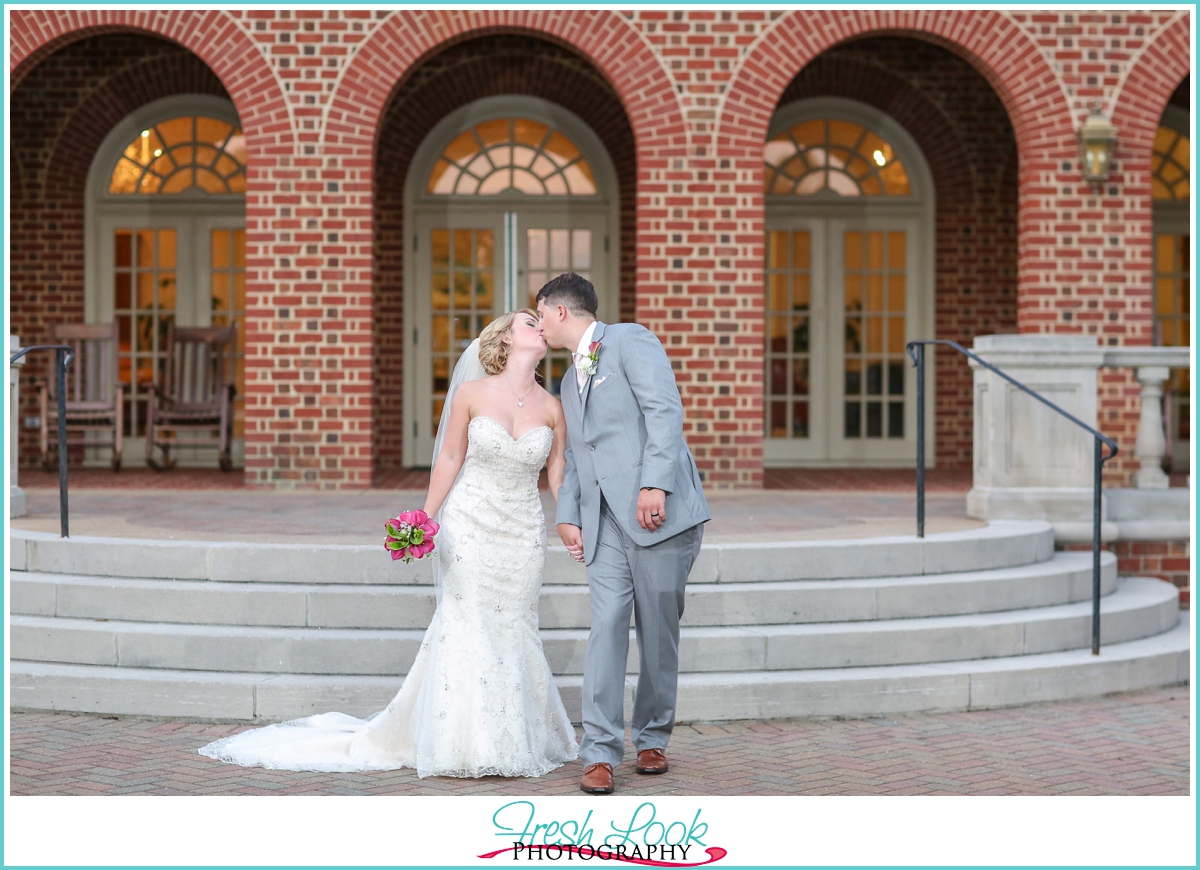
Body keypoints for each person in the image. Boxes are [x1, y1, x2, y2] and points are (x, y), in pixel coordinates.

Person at [199, 309, 579, 777]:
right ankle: (466, 744)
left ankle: (512, 738)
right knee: (472, 626)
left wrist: (573, 520)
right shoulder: (470, 394)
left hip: (522, 532)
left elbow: (558, 471)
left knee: (516, 626)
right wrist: (425, 517)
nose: (539, 326)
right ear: (504, 340)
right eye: (528, 322)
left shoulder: (552, 406)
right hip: (471, 527)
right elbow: (451, 456)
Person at [536, 273, 710, 795]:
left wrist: (655, 482)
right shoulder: (567, 381)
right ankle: (600, 752)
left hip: (658, 513)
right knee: (607, 624)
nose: (538, 324)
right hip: (604, 520)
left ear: (560, 311)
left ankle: (653, 738)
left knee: (658, 631)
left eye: (539, 313)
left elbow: (664, 411)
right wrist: (568, 513)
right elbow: (573, 454)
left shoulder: (631, 339)